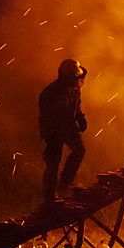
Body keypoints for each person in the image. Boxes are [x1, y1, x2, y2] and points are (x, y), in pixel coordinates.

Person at [39, 58, 87, 202]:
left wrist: (80, 117)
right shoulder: (50, 93)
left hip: (67, 125)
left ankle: (65, 183)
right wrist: (56, 134)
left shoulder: (74, 89)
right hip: (52, 129)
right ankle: (49, 195)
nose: (77, 79)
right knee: (53, 160)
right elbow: (50, 117)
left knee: (79, 150)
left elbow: (76, 107)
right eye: (75, 77)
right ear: (67, 76)